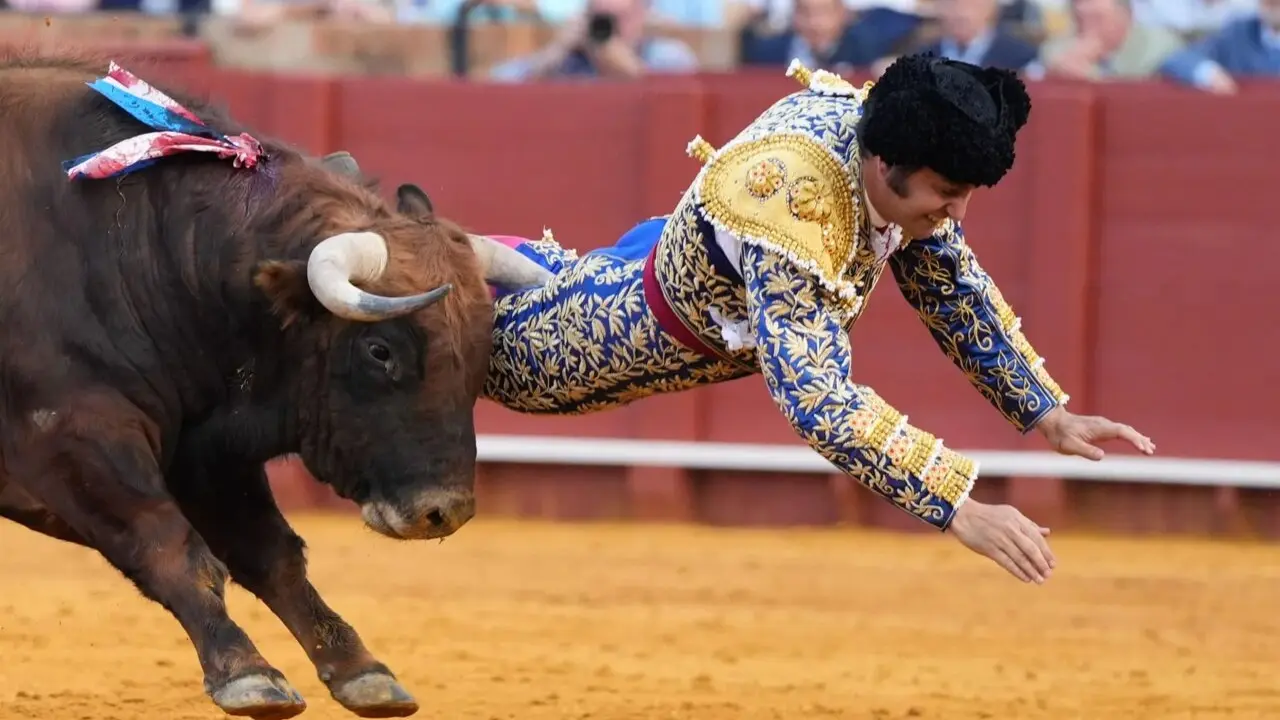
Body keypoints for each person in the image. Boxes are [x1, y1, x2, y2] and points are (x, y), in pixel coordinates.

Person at [327, 54, 1156, 585]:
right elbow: (818, 400)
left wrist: (1041, 410)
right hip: (625, 330)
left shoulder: (888, 142)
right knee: (482, 357)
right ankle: (344, 235)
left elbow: (945, 279)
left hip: (658, 266)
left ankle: (415, 237)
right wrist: (961, 505)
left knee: (536, 278)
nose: (955, 212)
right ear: (883, 165)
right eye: (946, 193)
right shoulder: (796, 202)